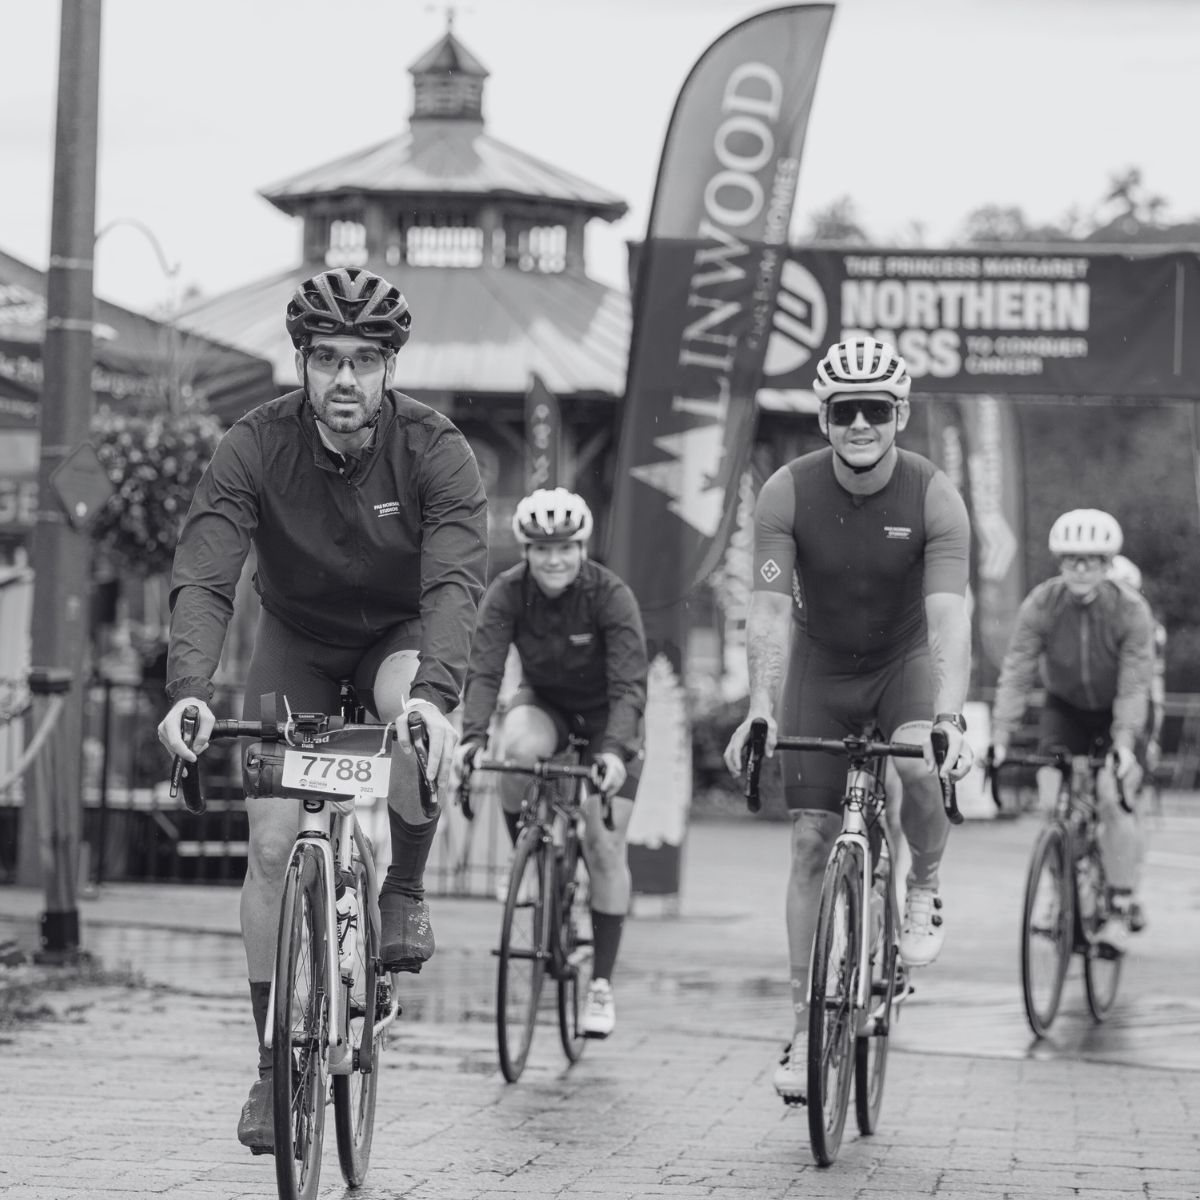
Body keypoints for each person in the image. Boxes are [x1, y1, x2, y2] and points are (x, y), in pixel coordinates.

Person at [156, 266, 488, 1154]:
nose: (346, 380)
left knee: (413, 724)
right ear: (301, 363)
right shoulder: (253, 444)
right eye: (328, 359)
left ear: (390, 368)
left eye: (366, 361)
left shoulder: (437, 448)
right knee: (270, 845)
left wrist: (435, 698)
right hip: (296, 641)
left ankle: (404, 890)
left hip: (397, 636)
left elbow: (456, 584)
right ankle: (272, 1068)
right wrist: (189, 691)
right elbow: (206, 574)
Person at [721, 336, 973, 1105]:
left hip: (904, 667)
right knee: (808, 841)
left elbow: (947, 620)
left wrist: (951, 718)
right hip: (821, 671)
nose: (859, 424)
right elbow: (766, 614)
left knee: (913, 761)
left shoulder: (934, 496)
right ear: (824, 417)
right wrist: (759, 709)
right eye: (843, 410)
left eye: (875, 410)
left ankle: (923, 880)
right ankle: (803, 1028)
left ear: (899, 414)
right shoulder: (785, 492)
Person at [453, 487, 648, 1039]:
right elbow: (486, 671)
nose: (554, 559)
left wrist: (612, 753)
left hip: (612, 716)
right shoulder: (508, 593)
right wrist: (471, 738)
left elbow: (631, 687)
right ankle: (531, 852)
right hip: (548, 706)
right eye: (542, 549)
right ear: (526, 551)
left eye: (565, 547)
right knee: (516, 751)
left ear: (582, 547)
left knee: (605, 841)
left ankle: (601, 985)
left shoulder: (610, 596)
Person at [988, 511, 1155, 956]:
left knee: (1110, 795)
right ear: (1060, 564)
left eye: (1092, 561)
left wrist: (1123, 744)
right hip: (1064, 707)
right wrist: (1001, 734)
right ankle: (1059, 883)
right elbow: (1018, 669)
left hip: (1116, 708)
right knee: (1053, 803)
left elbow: (1135, 681)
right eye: (1071, 560)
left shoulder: (1130, 609)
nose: (1081, 569)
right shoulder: (1042, 604)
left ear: (1107, 564)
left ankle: (1120, 904)